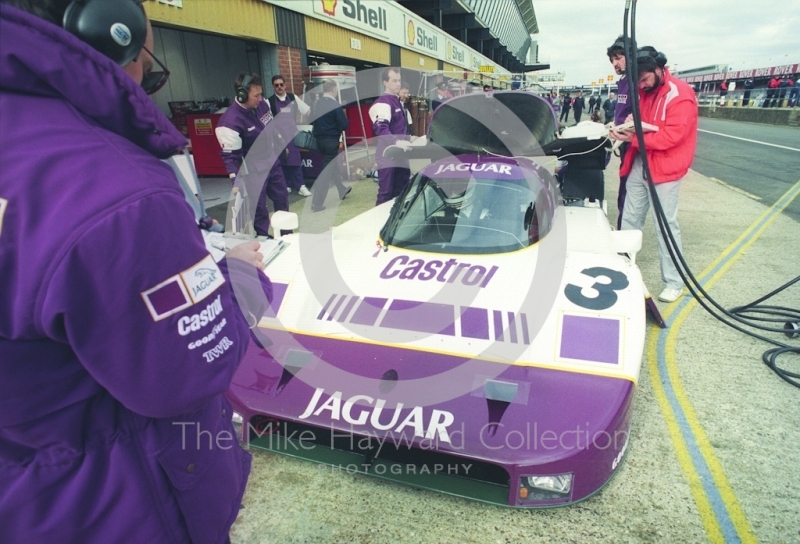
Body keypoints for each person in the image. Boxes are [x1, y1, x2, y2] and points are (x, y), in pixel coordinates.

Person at [0, 1, 274, 541]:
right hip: (111, 506)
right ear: (108, 26)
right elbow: (187, 372)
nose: (149, 66)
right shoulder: (117, 191)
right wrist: (236, 277)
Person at [609, 47, 698, 303]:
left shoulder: (680, 94)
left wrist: (634, 137)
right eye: (638, 81)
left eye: (645, 79)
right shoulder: (642, 89)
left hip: (667, 169)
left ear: (660, 70)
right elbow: (639, 121)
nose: (642, 85)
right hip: (641, 161)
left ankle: (673, 281)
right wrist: (625, 127)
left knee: (665, 226)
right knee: (629, 218)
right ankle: (621, 268)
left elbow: (673, 136)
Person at [216, 72, 290, 237]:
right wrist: (235, 181)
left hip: (272, 161)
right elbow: (230, 157)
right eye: (256, 95)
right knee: (259, 207)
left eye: (260, 94)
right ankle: (263, 236)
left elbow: (271, 126)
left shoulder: (263, 104)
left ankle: (287, 234)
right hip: (253, 169)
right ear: (242, 96)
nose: (260, 98)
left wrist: (279, 142)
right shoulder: (229, 123)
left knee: (282, 198)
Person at [370, 67, 412, 205]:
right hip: (387, 155)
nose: (398, 84)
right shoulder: (383, 102)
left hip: (401, 155)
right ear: (385, 82)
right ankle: (379, 224)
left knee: (401, 191)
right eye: (394, 81)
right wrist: (397, 142)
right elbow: (381, 129)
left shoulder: (398, 101)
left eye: (399, 80)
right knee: (386, 192)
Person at [268, 74, 312, 197]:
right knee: (281, 162)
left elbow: (308, 111)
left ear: (285, 85)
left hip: (292, 135)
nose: (279, 87)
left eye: (281, 84)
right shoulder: (269, 102)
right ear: (273, 87)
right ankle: (285, 185)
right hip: (277, 137)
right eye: (276, 85)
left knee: (295, 161)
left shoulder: (293, 98)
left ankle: (300, 186)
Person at [311, 79, 351, 211]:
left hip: (319, 141)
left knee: (331, 166)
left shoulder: (317, 104)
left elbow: (312, 120)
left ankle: (341, 189)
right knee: (325, 173)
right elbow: (344, 125)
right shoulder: (335, 105)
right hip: (331, 141)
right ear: (333, 89)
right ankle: (316, 203)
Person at [607, 35, 633, 228]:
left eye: (619, 57)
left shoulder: (636, 80)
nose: (615, 63)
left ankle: (624, 238)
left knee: (629, 196)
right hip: (624, 144)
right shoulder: (623, 81)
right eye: (613, 59)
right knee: (623, 192)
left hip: (636, 147)